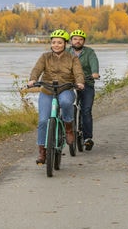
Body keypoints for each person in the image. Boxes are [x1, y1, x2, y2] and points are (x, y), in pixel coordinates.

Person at [27, 29, 85, 164]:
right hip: (47, 90)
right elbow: (37, 69)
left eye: (59, 42)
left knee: (65, 102)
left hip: (65, 88)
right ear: (51, 44)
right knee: (42, 121)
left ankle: (69, 128)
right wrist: (32, 79)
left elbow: (78, 72)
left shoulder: (72, 58)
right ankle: (42, 151)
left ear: (65, 44)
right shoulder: (45, 57)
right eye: (54, 42)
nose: (56, 45)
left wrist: (80, 82)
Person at [69, 29, 100, 150]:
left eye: (80, 39)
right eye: (75, 39)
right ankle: (63, 131)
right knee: (66, 105)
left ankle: (87, 138)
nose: (78, 41)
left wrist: (95, 73)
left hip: (87, 83)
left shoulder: (89, 52)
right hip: (70, 84)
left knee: (86, 110)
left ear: (84, 41)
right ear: (71, 41)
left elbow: (94, 63)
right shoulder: (66, 52)